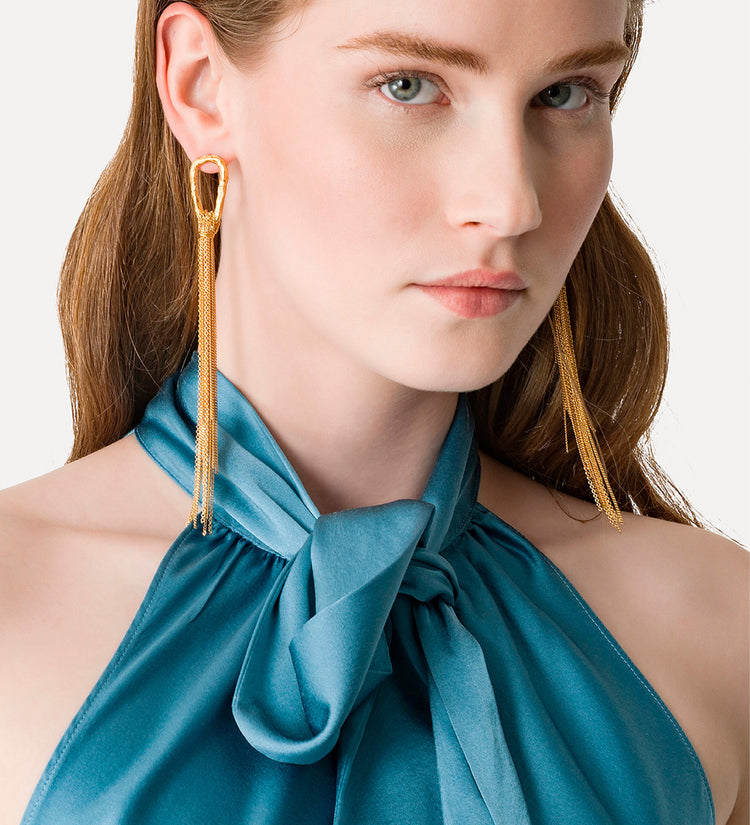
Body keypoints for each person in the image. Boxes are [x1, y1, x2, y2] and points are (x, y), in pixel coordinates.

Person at [0, 0, 747, 822]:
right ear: (202, 85)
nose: (511, 204)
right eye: (408, 85)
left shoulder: (716, 626)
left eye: (565, 94)